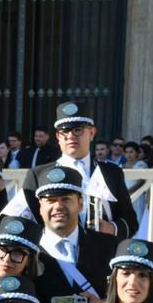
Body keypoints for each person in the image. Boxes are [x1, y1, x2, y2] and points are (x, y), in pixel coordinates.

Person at [32, 168, 117, 303]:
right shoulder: (28, 251)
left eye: (65, 199)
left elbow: (135, 296)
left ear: (80, 204)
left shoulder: (109, 246)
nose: (58, 206)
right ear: (40, 207)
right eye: (51, 200)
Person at [30, 101, 138, 239]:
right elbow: (29, 222)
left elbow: (130, 221)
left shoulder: (111, 172)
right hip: (56, 257)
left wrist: (112, 228)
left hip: (102, 254)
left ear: (92, 133)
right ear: (57, 137)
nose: (71, 136)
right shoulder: (38, 175)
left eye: (78, 130)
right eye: (65, 131)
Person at [0, 218, 40, 293]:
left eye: (17, 253)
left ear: (29, 260)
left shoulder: (40, 294)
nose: (6, 259)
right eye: (2, 250)